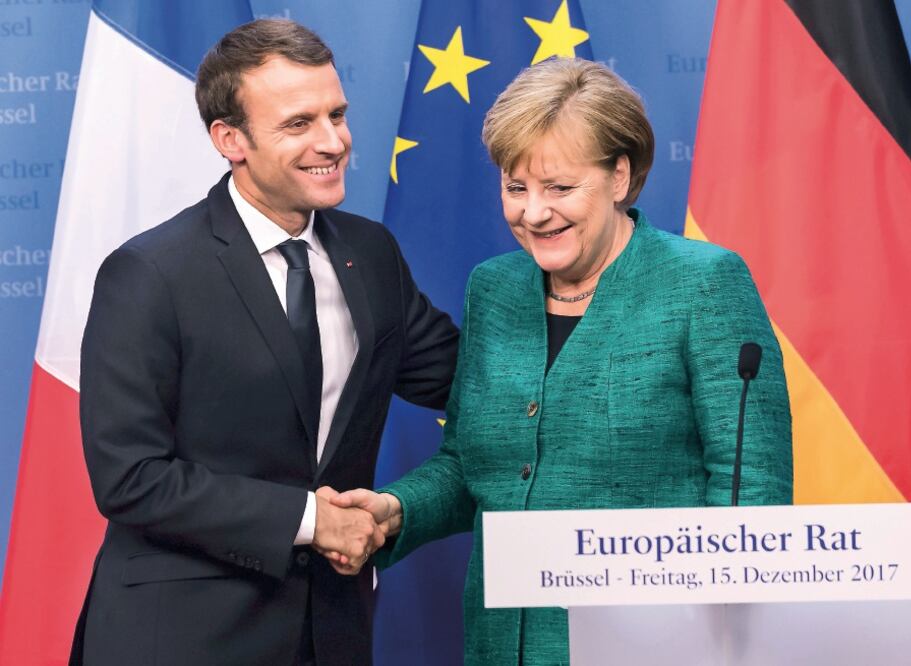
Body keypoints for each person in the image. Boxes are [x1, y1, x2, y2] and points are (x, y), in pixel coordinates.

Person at [331, 58, 793, 665]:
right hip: (500, 646)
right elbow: (474, 467)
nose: (533, 213)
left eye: (559, 187)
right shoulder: (492, 288)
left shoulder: (704, 283)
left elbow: (752, 495)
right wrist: (395, 510)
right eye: (515, 187)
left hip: (657, 648)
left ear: (620, 176)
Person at [69, 19, 458, 666]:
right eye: (298, 123)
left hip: (331, 634)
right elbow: (131, 478)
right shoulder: (151, 274)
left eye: (337, 114)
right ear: (230, 140)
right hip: (180, 637)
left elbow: (471, 378)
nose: (333, 141)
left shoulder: (371, 253)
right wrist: (310, 519)